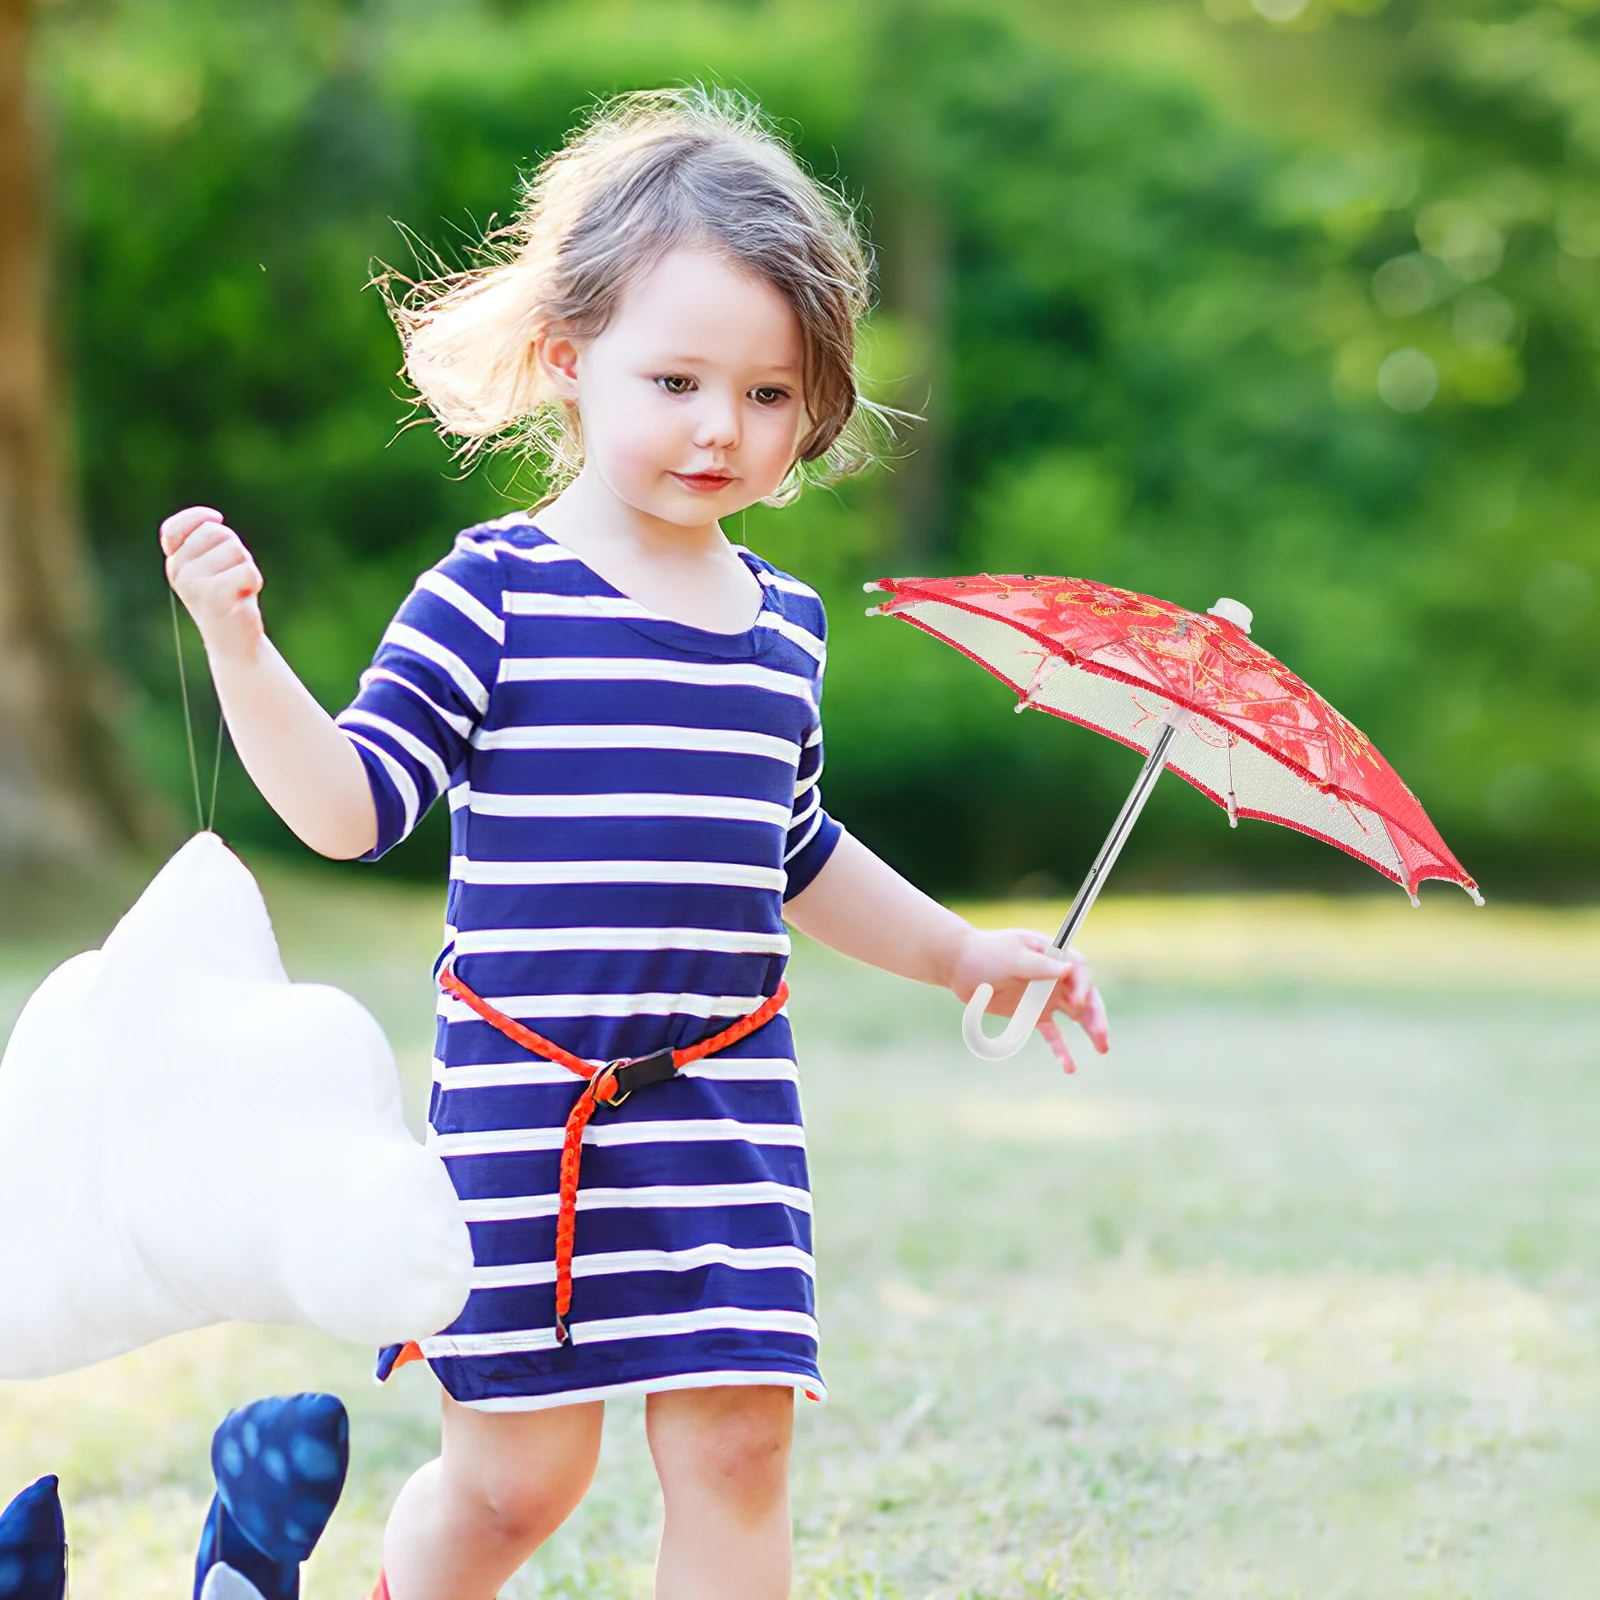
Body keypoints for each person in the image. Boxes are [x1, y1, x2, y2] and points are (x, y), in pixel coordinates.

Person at [160, 84, 1108, 1600]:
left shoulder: (780, 629)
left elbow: (797, 852)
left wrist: (958, 954)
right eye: (675, 379)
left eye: (772, 395)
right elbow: (348, 810)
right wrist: (242, 651)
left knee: (738, 1455)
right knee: (519, 1479)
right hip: (534, 1113)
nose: (722, 427)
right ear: (567, 358)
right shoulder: (495, 596)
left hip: (726, 1110)